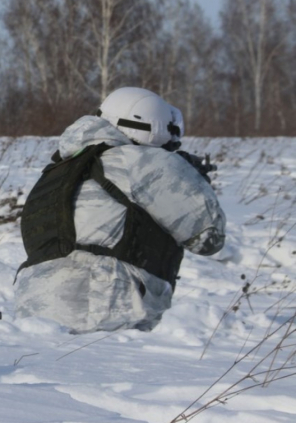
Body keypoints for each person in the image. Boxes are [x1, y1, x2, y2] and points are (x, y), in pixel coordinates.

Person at [14, 87, 226, 333]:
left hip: (34, 314)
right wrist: (191, 177)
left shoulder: (60, 169)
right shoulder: (144, 161)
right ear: (156, 127)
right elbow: (208, 238)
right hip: (105, 307)